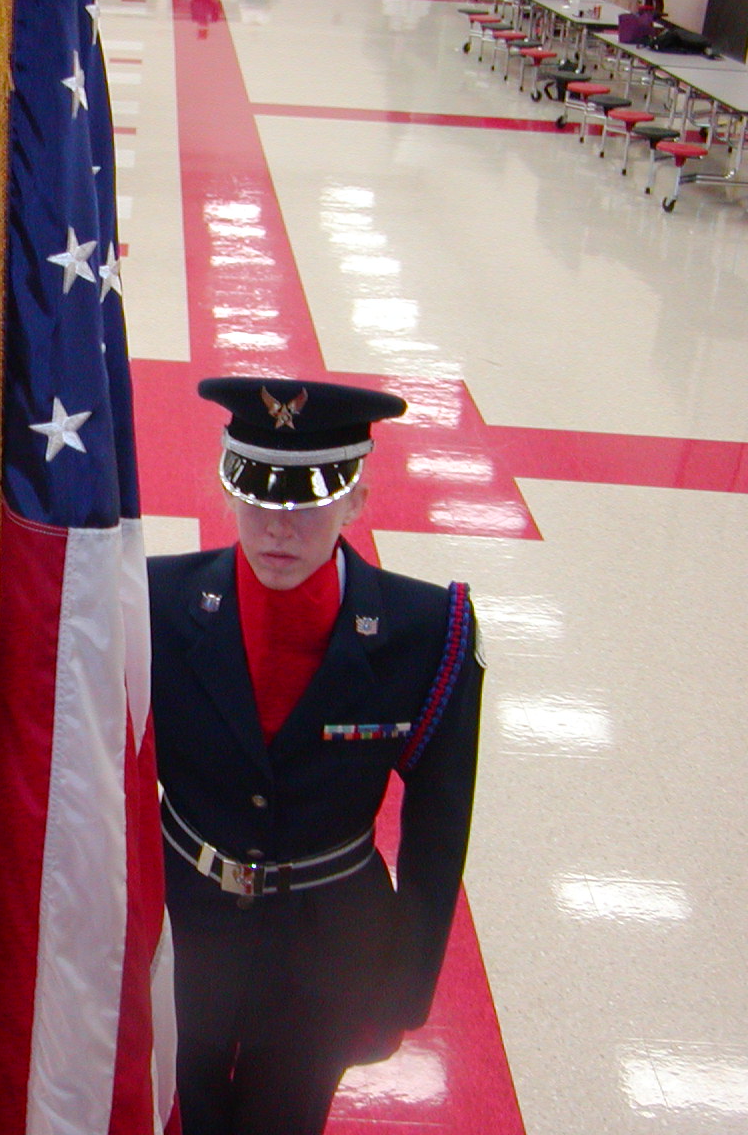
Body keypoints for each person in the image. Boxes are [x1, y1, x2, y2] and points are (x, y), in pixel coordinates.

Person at [149, 377, 483, 1135]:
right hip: (181, 926)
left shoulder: (426, 631)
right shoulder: (157, 603)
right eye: (257, 499)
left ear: (356, 500)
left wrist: (403, 989)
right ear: (227, 490)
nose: (278, 528)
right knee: (177, 1110)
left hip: (328, 945)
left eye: (308, 503)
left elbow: (438, 832)